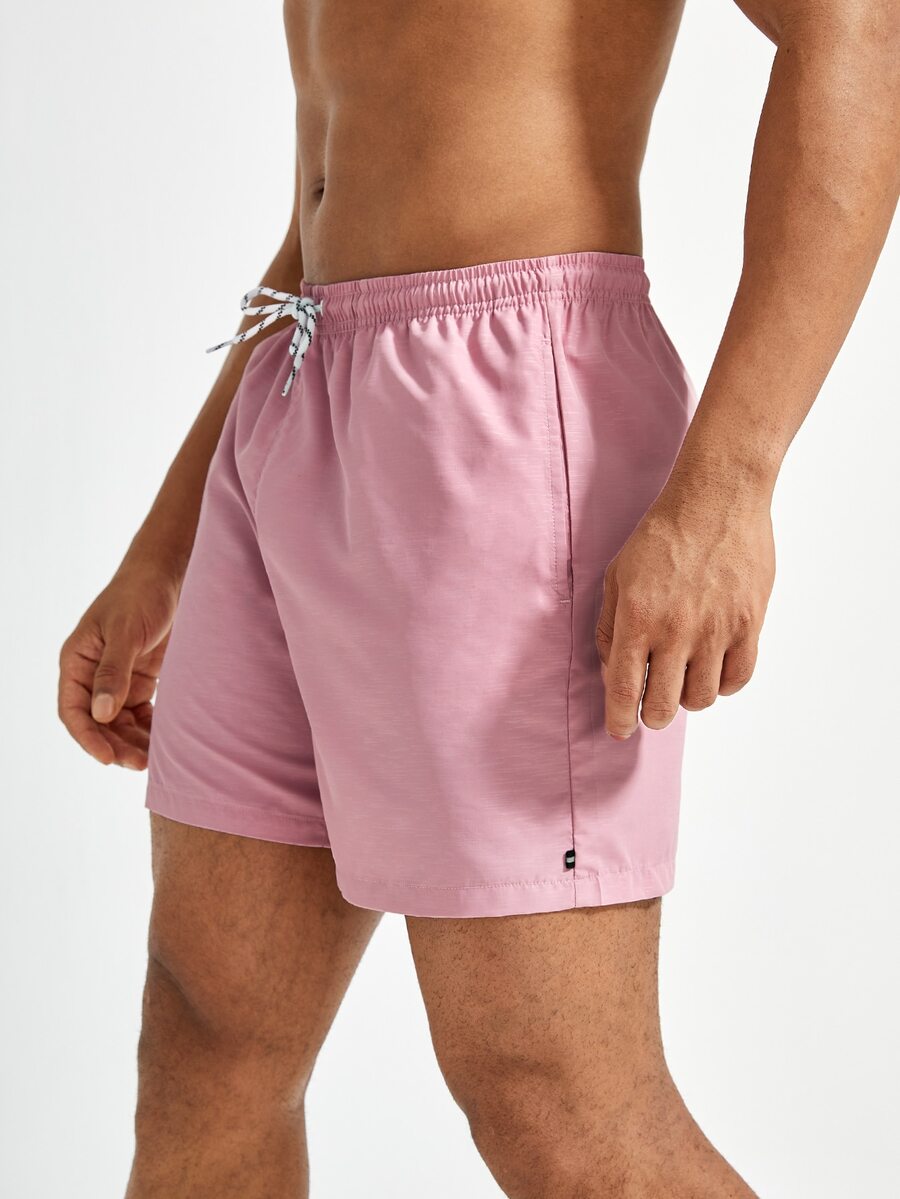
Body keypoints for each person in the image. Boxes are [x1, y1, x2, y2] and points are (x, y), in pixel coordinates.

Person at [57, 1, 898, 1196]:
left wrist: (731, 482)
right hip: (299, 384)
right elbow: (327, 202)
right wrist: (169, 539)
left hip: (500, 404)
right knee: (209, 1039)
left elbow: (859, 31)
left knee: (555, 1099)